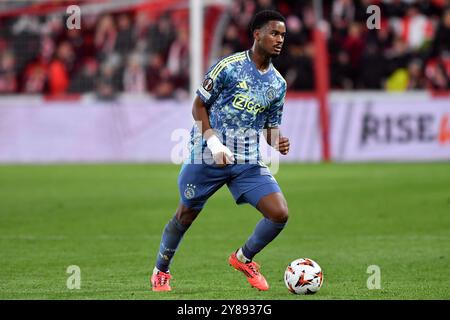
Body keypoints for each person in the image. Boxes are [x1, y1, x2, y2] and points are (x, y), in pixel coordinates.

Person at [151, 10, 290, 292]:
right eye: (274, 33)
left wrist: (277, 140)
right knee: (185, 215)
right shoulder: (228, 67)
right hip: (206, 153)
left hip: (246, 160)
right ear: (257, 34)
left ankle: (243, 257)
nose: (279, 40)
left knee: (279, 214)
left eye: (283, 35)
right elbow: (197, 107)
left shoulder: (278, 84)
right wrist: (215, 145)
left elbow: (270, 126)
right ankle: (161, 270)